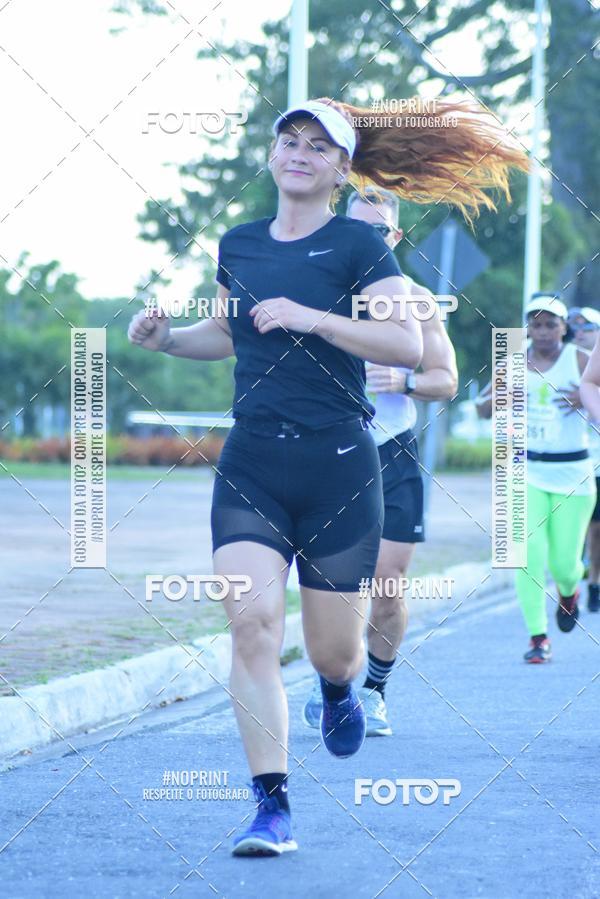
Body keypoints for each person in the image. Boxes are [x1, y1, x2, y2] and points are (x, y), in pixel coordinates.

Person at [128, 97, 527, 856]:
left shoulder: (360, 247)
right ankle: (270, 805)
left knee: (332, 652)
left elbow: (405, 344)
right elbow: (230, 330)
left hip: (341, 463)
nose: (300, 152)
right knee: (250, 626)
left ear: (342, 169)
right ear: (273, 156)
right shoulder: (238, 243)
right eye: (290, 140)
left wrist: (313, 317)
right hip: (252, 461)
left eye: (319, 146)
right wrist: (168, 339)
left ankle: (342, 691)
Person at [302, 186, 458, 736]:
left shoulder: (414, 298)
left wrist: (408, 380)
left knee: (388, 584)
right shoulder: (316, 289)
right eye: (354, 227)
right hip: (329, 454)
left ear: (393, 237)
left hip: (392, 453)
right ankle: (334, 683)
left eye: (377, 231)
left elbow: (447, 379)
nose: (364, 239)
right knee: (332, 586)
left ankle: (376, 690)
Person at [479, 294, 596, 663]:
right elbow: (482, 408)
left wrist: (585, 396)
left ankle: (568, 590)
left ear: (565, 328)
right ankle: (537, 636)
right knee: (526, 554)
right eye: (535, 324)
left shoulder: (580, 359)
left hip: (573, 473)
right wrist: (498, 397)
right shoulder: (513, 359)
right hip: (524, 471)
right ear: (527, 327)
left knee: (564, 562)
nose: (542, 332)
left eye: (551, 324)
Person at [567, 306, 600, 611]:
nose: (581, 334)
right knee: (583, 527)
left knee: (597, 529)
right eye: (576, 328)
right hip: (576, 461)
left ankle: (593, 584)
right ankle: (575, 581)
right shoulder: (563, 361)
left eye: (588, 328)